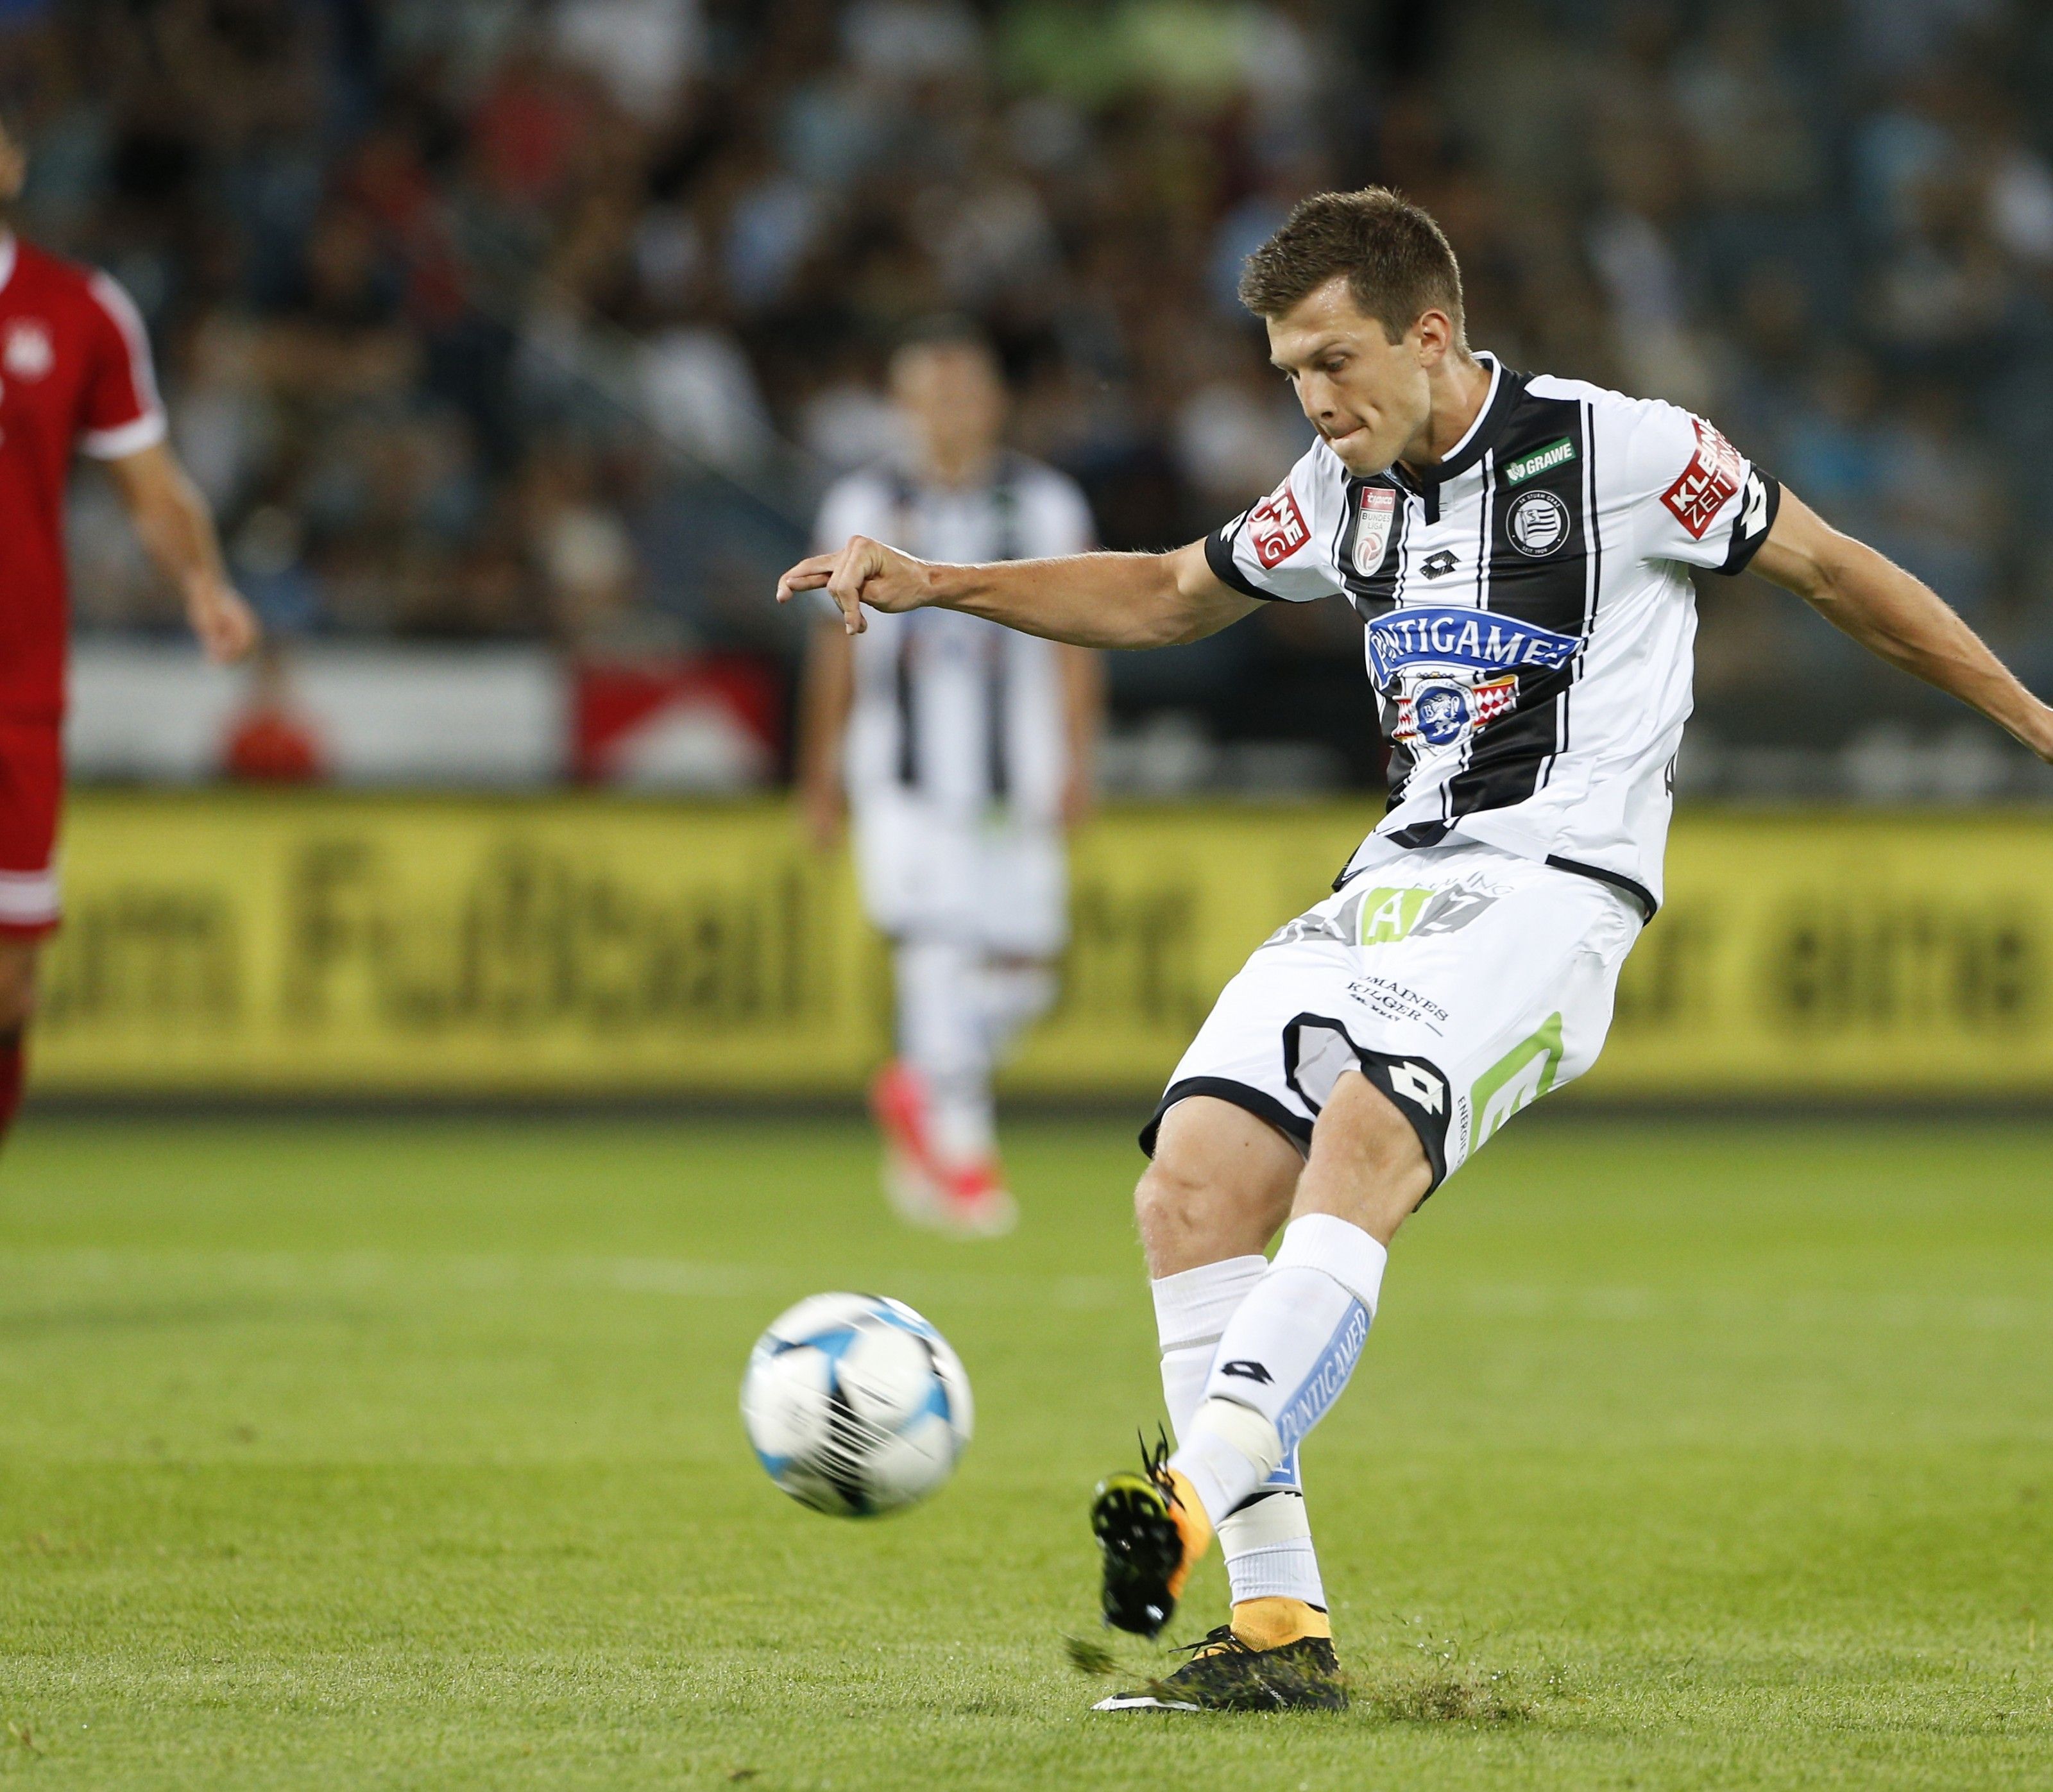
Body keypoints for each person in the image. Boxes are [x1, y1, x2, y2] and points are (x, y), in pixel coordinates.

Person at [779, 189, 2053, 1709]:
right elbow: (1169, 589)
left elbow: (1840, 574)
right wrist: (939, 582)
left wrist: (2035, 721)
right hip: (1393, 881)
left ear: (1429, 334)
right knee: (1188, 1185)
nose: (1314, 403)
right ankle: (1274, 1630)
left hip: (1555, 891)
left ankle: (1184, 1501)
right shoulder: (1336, 490)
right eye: (1290, 376)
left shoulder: (1628, 455)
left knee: (1365, 1136)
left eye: (1333, 364)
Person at [794, 320, 1102, 1236]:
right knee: (935, 951)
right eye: (931, 397)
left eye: (965, 394)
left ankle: (919, 1086)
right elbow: (832, 653)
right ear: (902, 408)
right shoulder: (862, 505)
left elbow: (1083, 639)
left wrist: (1080, 758)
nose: (949, 415)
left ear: (996, 404)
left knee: (1028, 971)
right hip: (905, 780)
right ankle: (964, 1160)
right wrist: (818, 772)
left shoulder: (1045, 504)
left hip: (1020, 775)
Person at [0, 114, 259, 1147]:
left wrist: (204, 584)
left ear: (15, 160)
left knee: (12, 986)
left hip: (15, 696)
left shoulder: (78, 311)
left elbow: (150, 486)